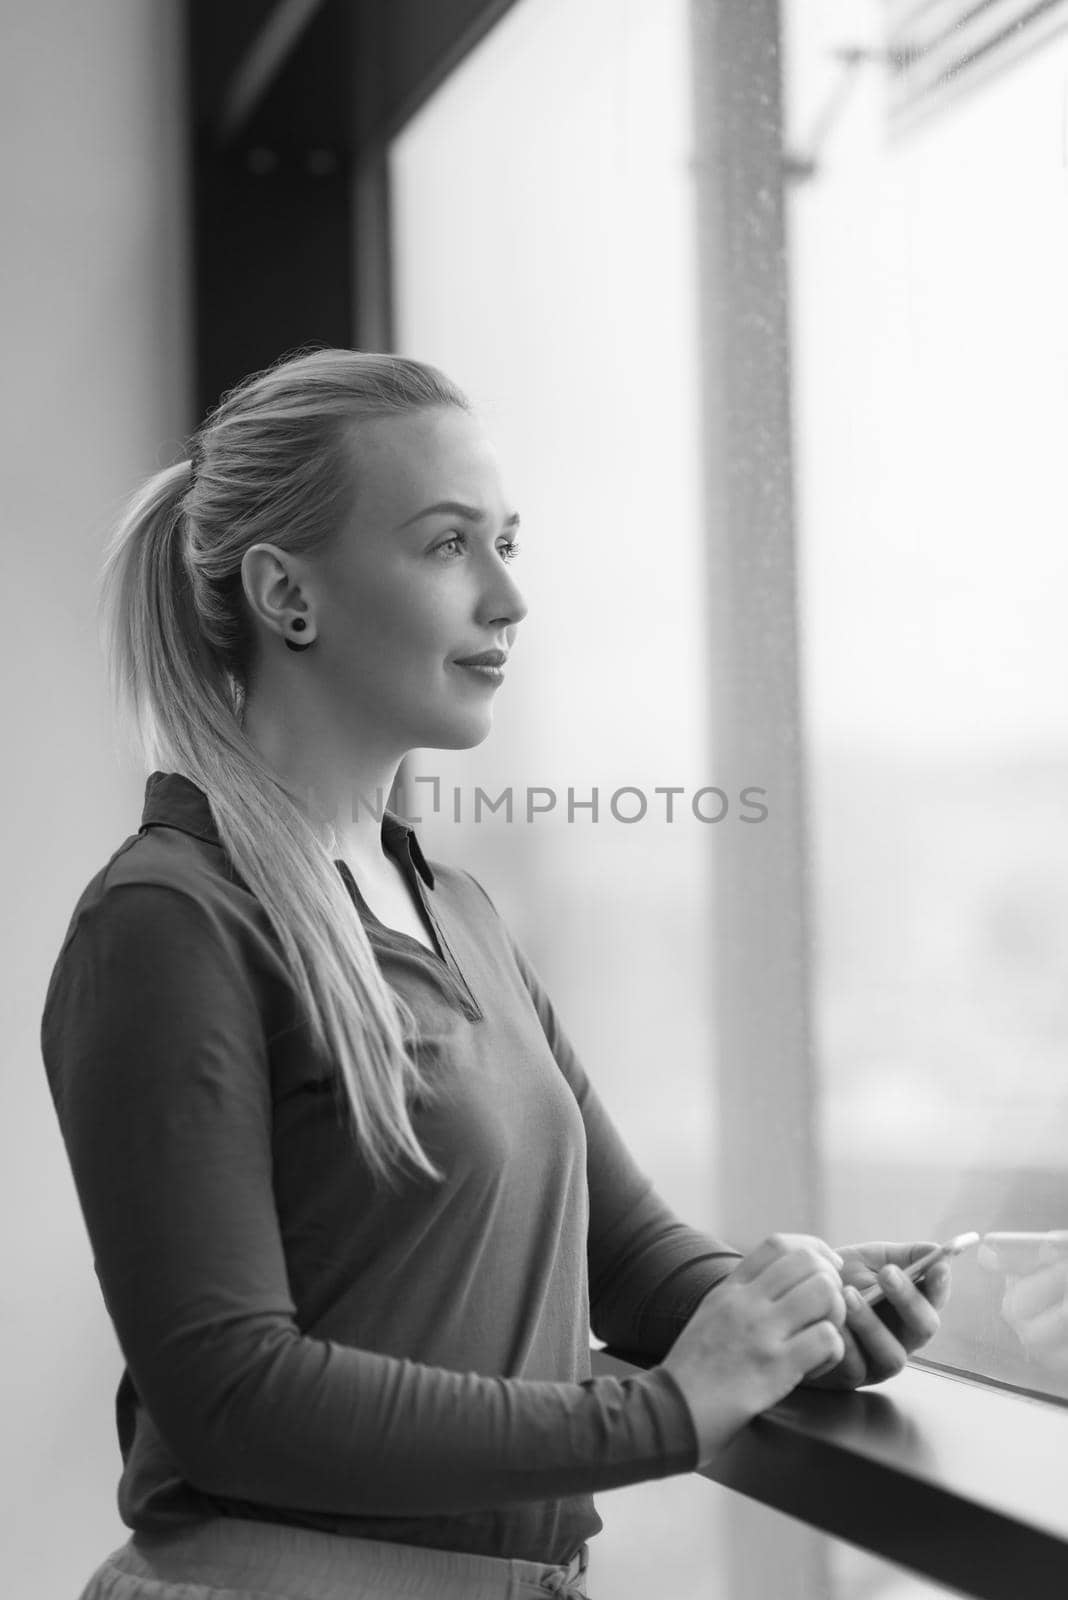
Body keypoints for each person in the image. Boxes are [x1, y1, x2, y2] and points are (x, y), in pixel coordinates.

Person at [40, 347, 952, 1600]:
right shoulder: (166, 922)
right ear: (285, 596)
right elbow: (234, 1398)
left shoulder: (457, 910)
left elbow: (630, 1267)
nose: (508, 597)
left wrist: (799, 1313)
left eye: (507, 540)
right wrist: (672, 1413)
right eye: (447, 544)